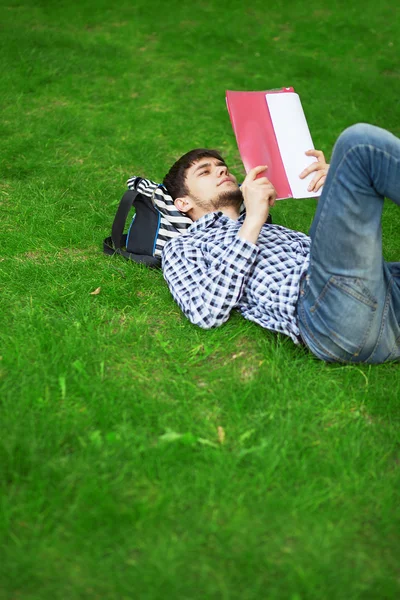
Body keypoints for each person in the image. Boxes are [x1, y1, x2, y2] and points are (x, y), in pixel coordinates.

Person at [161, 124, 400, 364]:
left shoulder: (269, 228)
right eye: (205, 172)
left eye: (223, 168)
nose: (223, 172)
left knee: (356, 157)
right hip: (331, 317)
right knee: (358, 144)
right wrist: (253, 220)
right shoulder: (183, 246)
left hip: (384, 298)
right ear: (183, 203)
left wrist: (336, 190)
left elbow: (343, 258)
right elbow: (204, 311)